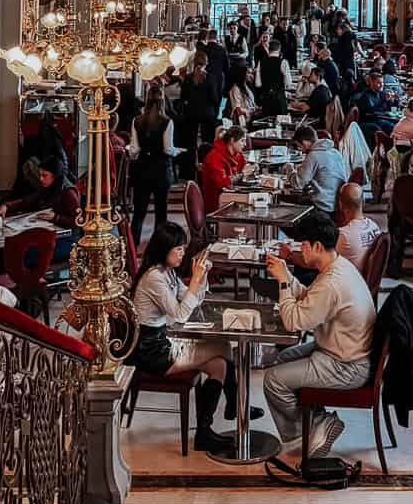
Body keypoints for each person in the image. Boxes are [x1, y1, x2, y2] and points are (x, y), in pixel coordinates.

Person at [262, 209, 376, 462]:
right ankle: (315, 422)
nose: (299, 250)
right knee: (284, 360)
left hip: (345, 365)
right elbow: (309, 299)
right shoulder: (337, 266)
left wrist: (282, 284)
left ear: (316, 246)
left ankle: (318, 421)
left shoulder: (331, 282)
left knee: (272, 380)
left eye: (302, 245)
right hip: (340, 351)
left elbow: (294, 322)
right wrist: (288, 276)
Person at [131, 223, 234, 454]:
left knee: (218, 365)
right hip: (152, 352)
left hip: (162, 343)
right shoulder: (153, 278)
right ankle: (235, 403)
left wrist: (202, 277)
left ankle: (205, 433)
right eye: (178, 249)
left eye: (183, 248)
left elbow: (192, 300)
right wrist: (195, 281)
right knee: (223, 346)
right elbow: (178, 315)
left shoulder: (167, 273)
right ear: (163, 249)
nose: (183, 253)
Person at [129, 94, 178, 244]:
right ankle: (160, 244)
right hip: (160, 169)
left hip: (142, 168)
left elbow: (134, 149)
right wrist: (177, 151)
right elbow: (168, 149)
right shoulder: (167, 122)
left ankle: (132, 244)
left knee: (139, 211)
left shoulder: (137, 120)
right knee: (161, 211)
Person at [176, 63, 220, 180]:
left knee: (190, 146)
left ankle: (189, 173)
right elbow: (215, 98)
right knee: (208, 146)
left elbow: (183, 97)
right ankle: (208, 171)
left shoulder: (188, 79)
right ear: (206, 63)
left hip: (191, 116)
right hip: (208, 116)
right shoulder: (210, 78)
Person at [293, 123, 349, 211]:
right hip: (338, 203)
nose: (302, 151)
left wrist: (289, 169)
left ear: (305, 142)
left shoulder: (313, 156)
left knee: (291, 204)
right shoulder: (335, 152)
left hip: (324, 206)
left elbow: (298, 184)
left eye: (300, 147)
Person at [201, 125, 248, 215]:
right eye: (242, 141)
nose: (245, 144)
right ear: (232, 140)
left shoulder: (236, 153)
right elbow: (222, 182)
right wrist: (242, 174)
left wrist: (250, 171)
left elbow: (242, 167)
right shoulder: (215, 157)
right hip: (217, 204)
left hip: (230, 196)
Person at [335, 181, 380, 270]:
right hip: (366, 279)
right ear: (363, 202)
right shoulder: (375, 227)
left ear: (340, 205)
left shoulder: (343, 234)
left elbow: (331, 263)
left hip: (349, 280)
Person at [254, 30, 290, 119]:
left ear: (269, 49)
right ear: (279, 49)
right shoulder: (283, 62)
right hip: (279, 99)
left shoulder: (260, 62)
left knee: (267, 123)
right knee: (281, 124)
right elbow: (288, 84)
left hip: (266, 99)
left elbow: (257, 84)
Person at [354, 69, 395, 146]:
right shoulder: (366, 96)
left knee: (394, 126)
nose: (381, 85)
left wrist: (392, 100)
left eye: (382, 82)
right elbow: (372, 111)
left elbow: (388, 109)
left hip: (380, 119)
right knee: (386, 127)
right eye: (378, 83)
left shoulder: (381, 93)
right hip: (369, 121)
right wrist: (384, 102)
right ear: (372, 83)